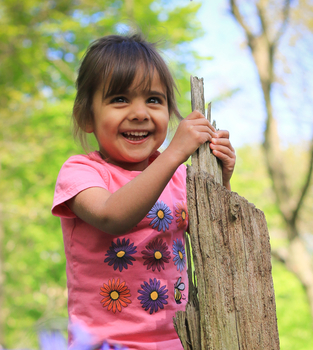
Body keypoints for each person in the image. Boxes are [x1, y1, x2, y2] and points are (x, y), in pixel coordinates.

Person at [52, 33, 236, 350]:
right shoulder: (81, 172)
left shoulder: (180, 176)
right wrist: (174, 154)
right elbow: (112, 216)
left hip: (181, 341)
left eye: (153, 100)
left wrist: (222, 182)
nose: (140, 112)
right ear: (86, 117)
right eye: (120, 99)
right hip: (105, 344)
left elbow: (220, 245)